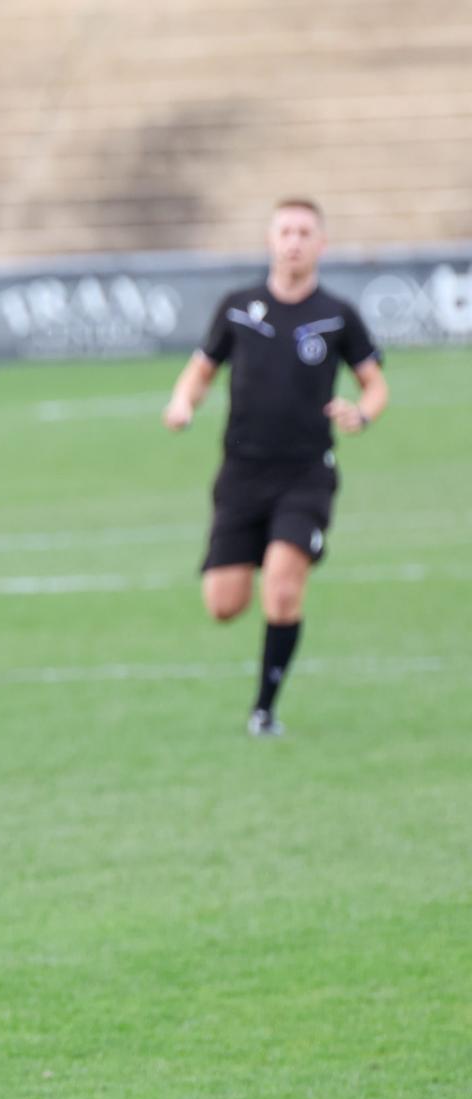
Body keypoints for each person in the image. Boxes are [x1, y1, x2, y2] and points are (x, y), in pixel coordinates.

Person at [164, 198, 388, 737]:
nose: (294, 241)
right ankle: (270, 551)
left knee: (283, 589)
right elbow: (201, 369)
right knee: (224, 605)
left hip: (306, 472)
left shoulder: (336, 314)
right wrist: (182, 403)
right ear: (270, 239)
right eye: (285, 231)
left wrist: (361, 414)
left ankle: (264, 709)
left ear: (321, 244)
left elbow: (374, 383)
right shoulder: (238, 306)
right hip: (241, 473)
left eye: (305, 232)